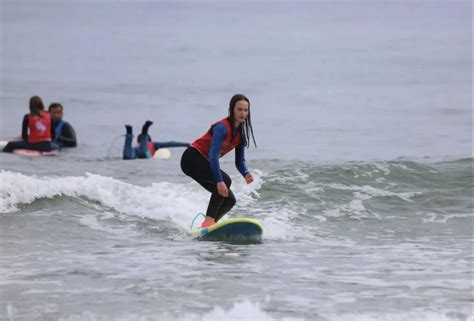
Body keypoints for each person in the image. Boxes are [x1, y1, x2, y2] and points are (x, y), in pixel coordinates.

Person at [180, 94, 257, 228]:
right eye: (240, 109)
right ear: (232, 109)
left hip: (203, 162)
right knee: (225, 181)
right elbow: (213, 156)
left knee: (230, 200)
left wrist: (245, 173)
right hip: (191, 158)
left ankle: (210, 226)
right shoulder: (222, 127)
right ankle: (208, 222)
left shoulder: (241, 135)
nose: (243, 113)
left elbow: (239, 161)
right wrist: (220, 181)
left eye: (246, 110)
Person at [123, 120, 189, 160]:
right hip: (143, 154)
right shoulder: (153, 144)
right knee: (142, 154)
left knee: (126, 157)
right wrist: (187, 144)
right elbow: (170, 143)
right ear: (149, 139)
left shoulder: (136, 146)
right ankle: (144, 130)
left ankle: (129, 132)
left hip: (133, 154)